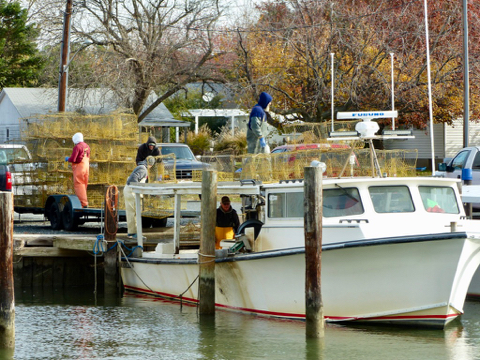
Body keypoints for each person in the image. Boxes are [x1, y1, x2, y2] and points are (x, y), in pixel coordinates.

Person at [123, 156, 156, 240]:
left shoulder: (141, 167)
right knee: (134, 212)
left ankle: (133, 232)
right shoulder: (143, 169)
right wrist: (138, 191)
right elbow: (133, 180)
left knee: (133, 213)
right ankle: (134, 233)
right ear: (151, 164)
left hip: (130, 190)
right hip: (131, 191)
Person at [65, 132, 90, 208]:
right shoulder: (87, 146)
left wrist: (68, 159)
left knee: (79, 184)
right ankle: (84, 200)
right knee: (84, 184)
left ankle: (83, 203)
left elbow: (74, 159)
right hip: (86, 167)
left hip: (79, 167)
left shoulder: (77, 147)